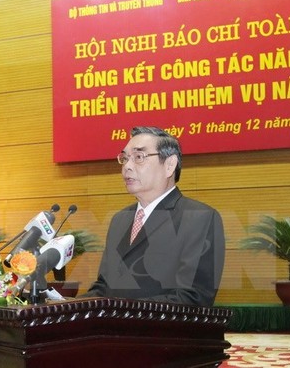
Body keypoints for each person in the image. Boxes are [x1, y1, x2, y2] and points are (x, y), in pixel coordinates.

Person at [80, 126, 225, 306]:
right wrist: (63, 306)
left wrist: (121, 312)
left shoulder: (199, 218)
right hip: (113, 331)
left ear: (169, 165)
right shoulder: (120, 220)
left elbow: (193, 299)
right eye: (124, 158)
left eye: (139, 157)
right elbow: (104, 288)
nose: (127, 166)